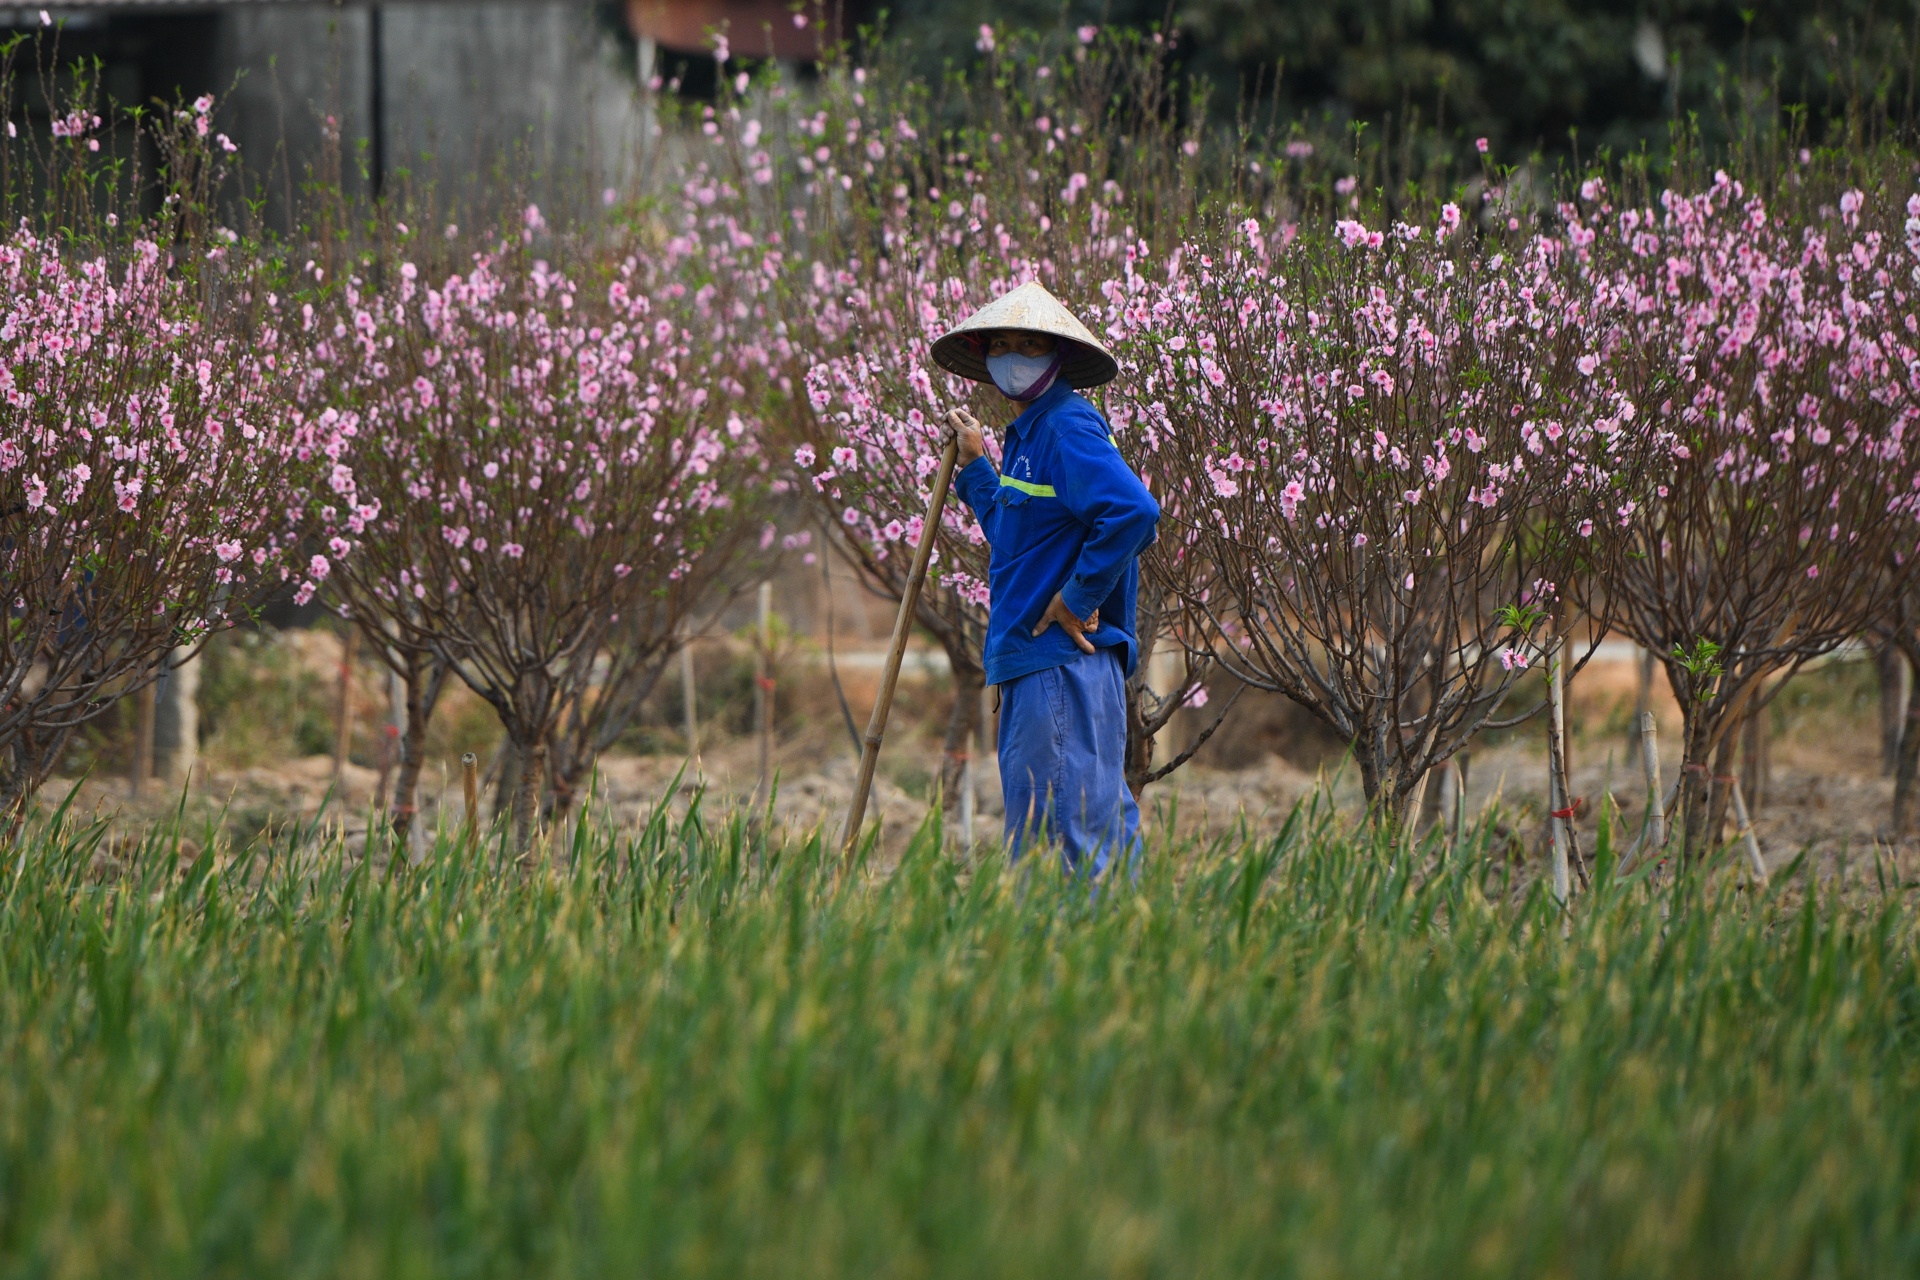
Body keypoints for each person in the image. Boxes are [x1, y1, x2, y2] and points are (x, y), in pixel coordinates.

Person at [931, 281, 1160, 876]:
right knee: (1071, 829)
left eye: (1028, 345)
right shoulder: (1031, 436)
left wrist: (1077, 596)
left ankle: (1071, 963)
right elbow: (1017, 541)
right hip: (1038, 668)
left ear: (1056, 357)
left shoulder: (1064, 426)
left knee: (1062, 842)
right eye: (1000, 344)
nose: (1012, 357)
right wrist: (977, 465)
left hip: (1059, 665)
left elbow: (1133, 511)